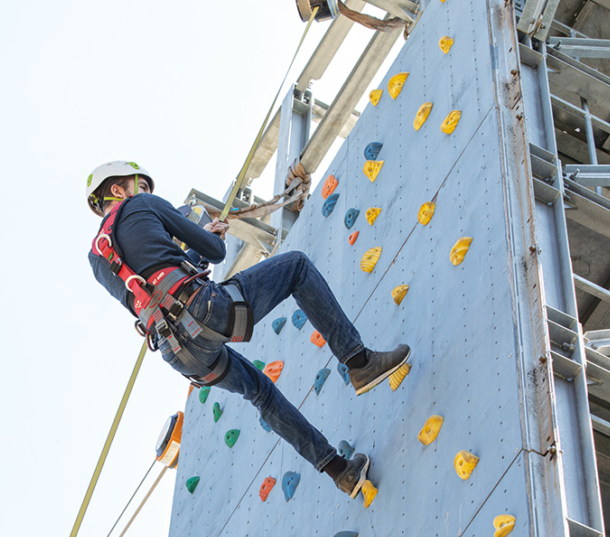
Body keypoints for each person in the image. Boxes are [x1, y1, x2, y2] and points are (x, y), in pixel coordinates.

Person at [85, 161, 410, 499]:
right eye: (141, 187)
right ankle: (359, 363)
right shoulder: (142, 205)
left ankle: (341, 472)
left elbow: (153, 292)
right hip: (205, 310)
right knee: (296, 267)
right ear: (119, 190)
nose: (148, 194)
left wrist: (197, 252)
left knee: (260, 392)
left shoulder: (97, 258)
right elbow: (215, 252)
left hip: (177, 352)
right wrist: (209, 238)